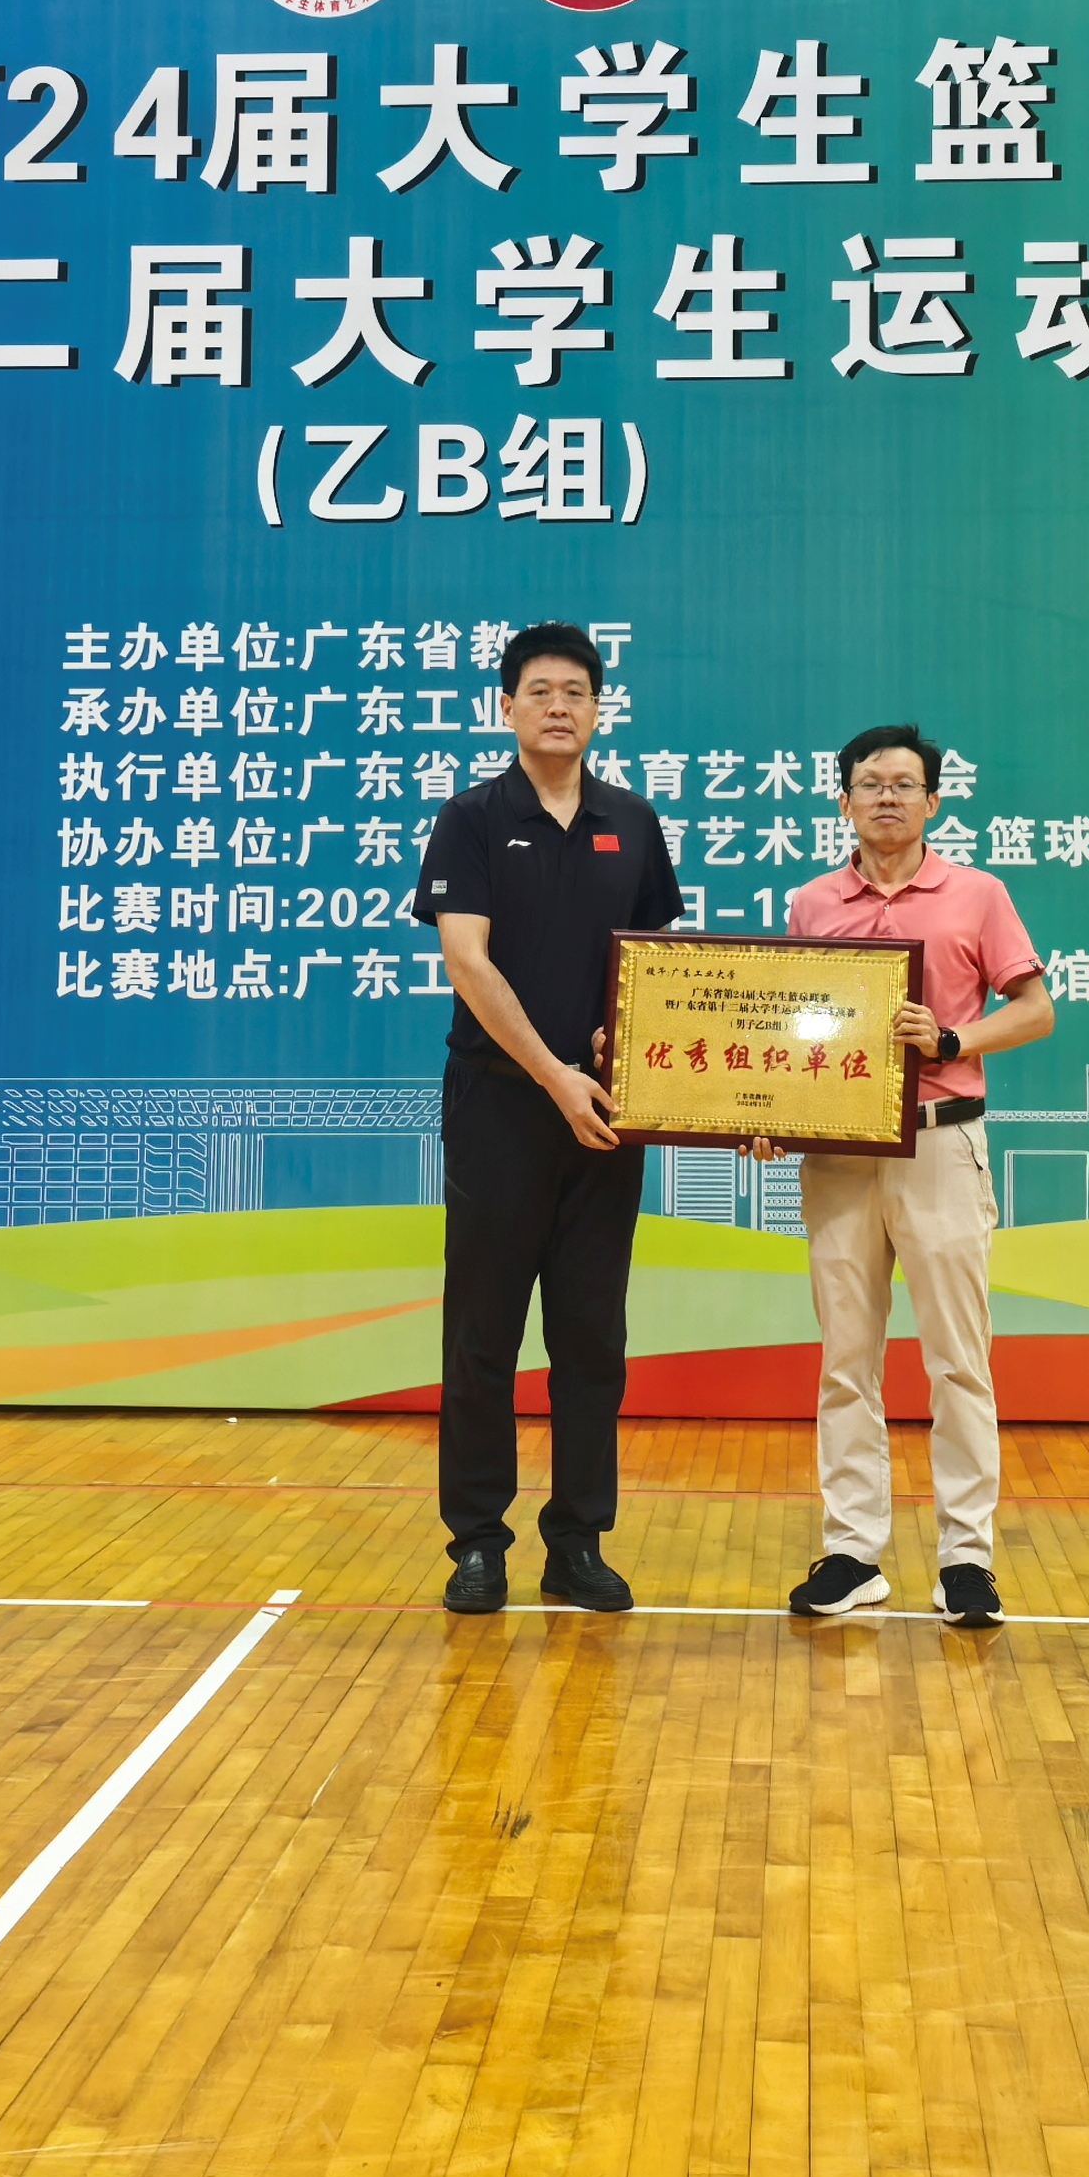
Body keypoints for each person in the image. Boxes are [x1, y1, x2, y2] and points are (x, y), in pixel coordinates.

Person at [414, 623, 680, 1616]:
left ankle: (578, 1541)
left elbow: (656, 965)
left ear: (599, 707)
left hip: (607, 1112)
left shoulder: (633, 821)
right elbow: (468, 963)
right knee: (483, 1333)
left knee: (591, 1336)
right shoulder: (473, 819)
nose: (559, 705)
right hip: (500, 1105)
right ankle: (478, 1543)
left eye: (576, 690)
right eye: (540, 690)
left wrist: (620, 1053)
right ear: (507, 707)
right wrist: (555, 1077)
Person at [775, 725, 1051, 1630]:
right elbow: (790, 1033)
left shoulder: (978, 894)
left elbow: (1035, 1009)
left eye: (904, 783)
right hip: (839, 1155)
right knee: (845, 1359)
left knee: (958, 1360)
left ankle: (967, 1559)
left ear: (934, 801)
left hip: (940, 1143)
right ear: (843, 801)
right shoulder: (812, 902)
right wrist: (769, 1114)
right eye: (869, 783)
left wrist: (952, 1039)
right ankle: (852, 1551)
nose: (886, 797)